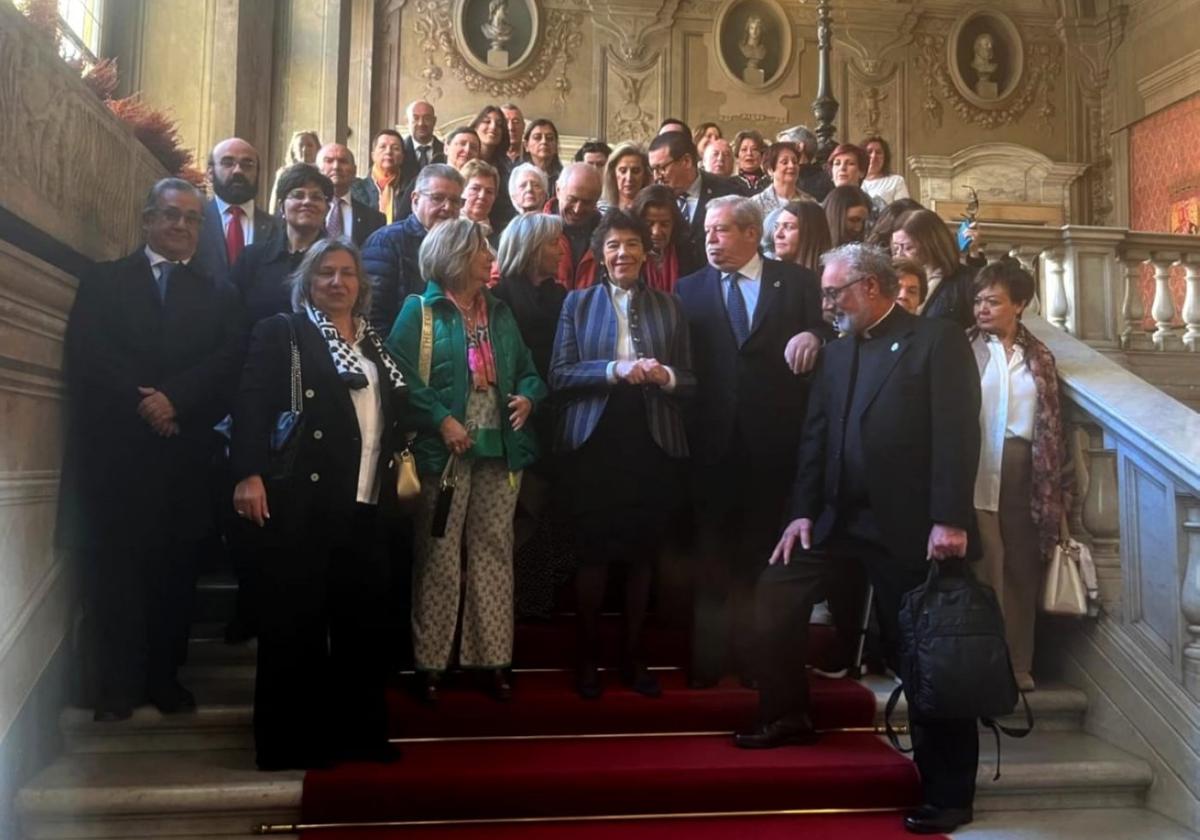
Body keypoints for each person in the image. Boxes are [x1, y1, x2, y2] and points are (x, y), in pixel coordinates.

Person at [741, 242, 981, 836]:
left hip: (908, 527)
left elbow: (957, 435)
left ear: (872, 288)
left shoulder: (935, 342)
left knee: (921, 653)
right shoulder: (838, 351)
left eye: (833, 292)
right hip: (833, 519)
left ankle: (949, 792)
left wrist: (950, 517)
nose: (826, 304)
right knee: (774, 596)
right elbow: (815, 439)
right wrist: (800, 513)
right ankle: (787, 715)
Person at [65, 178, 243, 722]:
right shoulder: (104, 281)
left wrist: (176, 403)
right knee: (115, 575)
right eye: (170, 215)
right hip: (118, 457)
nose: (181, 226)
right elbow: (89, 355)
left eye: (191, 218)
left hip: (183, 458)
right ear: (147, 220)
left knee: (175, 577)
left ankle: (165, 680)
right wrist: (146, 403)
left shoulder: (219, 293)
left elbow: (226, 367)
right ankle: (115, 686)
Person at [231, 237, 406, 770]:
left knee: (362, 629)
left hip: (366, 502)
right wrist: (248, 473)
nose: (337, 282)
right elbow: (251, 406)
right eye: (325, 273)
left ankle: (359, 736)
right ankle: (289, 744)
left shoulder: (374, 344)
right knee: (294, 627)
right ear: (307, 281)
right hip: (302, 501)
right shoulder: (283, 332)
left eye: (347, 273)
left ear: (361, 284)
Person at [387, 219, 547, 704]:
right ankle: (431, 663)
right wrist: (441, 419)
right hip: (446, 450)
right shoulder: (421, 310)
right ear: (455, 254)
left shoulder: (498, 311)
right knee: (437, 554)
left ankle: (491, 659)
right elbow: (400, 378)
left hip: (502, 450)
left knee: (494, 551)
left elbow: (527, 370)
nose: (490, 257)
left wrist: (528, 398)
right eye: (481, 249)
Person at [675, 196, 831, 689]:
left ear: (749, 233)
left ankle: (758, 663)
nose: (711, 241)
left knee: (765, 558)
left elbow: (833, 324)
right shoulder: (688, 290)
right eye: (706, 233)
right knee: (712, 555)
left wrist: (815, 334)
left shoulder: (797, 284)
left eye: (720, 231)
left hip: (775, 445)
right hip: (711, 446)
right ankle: (708, 661)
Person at [550, 210, 695, 700]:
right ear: (601, 254)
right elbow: (561, 375)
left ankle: (633, 657)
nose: (623, 253)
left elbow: (690, 380)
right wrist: (614, 368)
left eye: (632, 244)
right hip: (596, 439)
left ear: (646, 253)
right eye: (613, 245)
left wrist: (665, 376)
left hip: (651, 439)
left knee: (641, 557)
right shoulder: (576, 303)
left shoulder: (671, 307)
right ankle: (588, 657)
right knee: (593, 553)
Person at [970, 259, 1068, 694]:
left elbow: (1052, 422)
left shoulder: (1039, 356)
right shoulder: (962, 347)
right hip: (974, 462)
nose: (982, 308)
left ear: (1020, 304)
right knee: (984, 564)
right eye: (978, 300)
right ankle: (981, 661)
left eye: (993, 301)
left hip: (1026, 469)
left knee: (1021, 567)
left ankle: (1019, 662)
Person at [361, 164, 465, 334]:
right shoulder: (385, 242)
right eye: (438, 198)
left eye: (455, 201)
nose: (448, 207)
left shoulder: (461, 247)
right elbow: (372, 315)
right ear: (415, 200)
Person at [233, 164, 332, 326]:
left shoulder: (339, 262)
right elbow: (233, 318)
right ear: (281, 207)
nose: (307, 202)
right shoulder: (252, 259)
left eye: (316, 197)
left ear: (327, 209)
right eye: (298, 195)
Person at [194, 137, 284, 287]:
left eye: (247, 165)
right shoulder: (194, 221)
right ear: (210, 173)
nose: (238, 171)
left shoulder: (278, 228)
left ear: (257, 174)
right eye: (228, 163)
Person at [647, 131, 741, 266]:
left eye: (661, 168)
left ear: (686, 161)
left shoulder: (726, 192)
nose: (657, 176)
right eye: (653, 169)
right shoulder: (652, 196)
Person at [494, 213, 567, 382]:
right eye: (554, 243)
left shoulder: (561, 295)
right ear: (532, 249)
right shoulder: (498, 297)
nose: (562, 252)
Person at [891, 208, 977, 329]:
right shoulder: (891, 277)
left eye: (908, 248)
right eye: (895, 248)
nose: (900, 255)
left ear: (931, 245)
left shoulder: (966, 280)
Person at [633, 184, 702, 292]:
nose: (656, 232)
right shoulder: (629, 256)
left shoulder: (690, 254)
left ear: (674, 224)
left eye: (664, 224)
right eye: (649, 223)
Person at [317, 143, 386, 247]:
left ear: (354, 170)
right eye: (329, 161)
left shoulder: (375, 219)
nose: (336, 167)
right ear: (317, 169)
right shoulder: (304, 210)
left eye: (343, 161)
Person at [551, 162, 603, 289]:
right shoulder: (533, 231)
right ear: (558, 190)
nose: (577, 209)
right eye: (572, 199)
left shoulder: (607, 235)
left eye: (587, 202)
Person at [350, 129, 408, 225]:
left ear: (402, 157)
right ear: (373, 155)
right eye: (382, 147)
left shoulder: (410, 189)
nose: (388, 152)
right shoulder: (356, 188)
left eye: (395, 148)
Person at [761, 200, 831, 272]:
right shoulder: (768, 274)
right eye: (776, 227)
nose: (778, 234)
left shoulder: (829, 276)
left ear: (810, 233)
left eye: (789, 227)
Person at [750, 141, 815, 215]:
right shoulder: (755, 204)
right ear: (770, 170)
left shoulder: (810, 203)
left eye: (795, 162)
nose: (791, 166)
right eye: (784, 162)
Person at [268, 130, 321, 214]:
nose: (305, 149)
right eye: (300, 145)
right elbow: (274, 205)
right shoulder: (284, 173)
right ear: (293, 150)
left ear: (317, 149)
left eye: (309, 145)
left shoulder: (323, 173)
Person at [778, 126, 834, 202]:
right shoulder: (776, 175)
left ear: (799, 147)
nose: (777, 151)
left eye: (782, 146)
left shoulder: (824, 181)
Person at [400, 99, 445, 184]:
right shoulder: (399, 151)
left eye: (427, 118)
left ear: (434, 121)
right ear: (407, 122)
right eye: (415, 118)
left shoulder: (446, 151)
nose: (421, 123)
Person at [600, 142, 651, 213]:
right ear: (613, 174)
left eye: (635, 171)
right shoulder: (601, 211)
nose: (629, 178)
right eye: (623, 171)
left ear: (645, 175)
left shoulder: (653, 215)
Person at [460, 158, 501, 243]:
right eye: (475, 189)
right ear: (462, 190)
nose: (482, 196)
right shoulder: (448, 227)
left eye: (489, 192)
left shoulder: (501, 237)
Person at [861, 136, 910, 206]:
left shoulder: (896, 181)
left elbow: (903, 211)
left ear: (885, 158)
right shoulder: (854, 182)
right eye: (869, 152)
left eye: (878, 152)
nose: (874, 156)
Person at [523, 119, 563, 195]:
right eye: (537, 137)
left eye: (550, 138)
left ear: (556, 146)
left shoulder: (564, 177)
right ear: (526, 145)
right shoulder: (519, 175)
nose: (544, 141)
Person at [732, 129, 767, 193]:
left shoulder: (772, 183)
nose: (749, 153)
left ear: (761, 155)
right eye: (744, 150)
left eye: (754, 149)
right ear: (737, 156)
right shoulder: (729, 183)